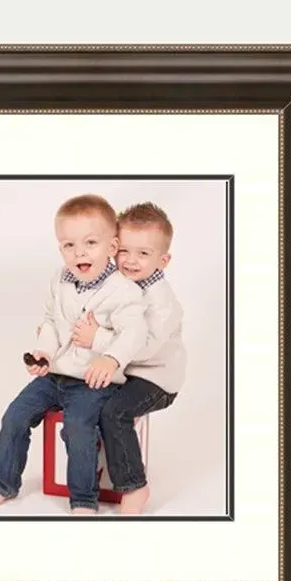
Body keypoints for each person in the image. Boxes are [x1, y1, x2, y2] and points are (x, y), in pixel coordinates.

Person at [0, 194, 147, 515]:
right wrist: (44, 353)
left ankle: (83, 499)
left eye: (90, 243)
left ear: (112, 248)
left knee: (77, 428)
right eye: (69, 245)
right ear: (60, 249)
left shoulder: (124, 290)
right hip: (56, 374)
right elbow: (52, 322)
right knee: (14, 416)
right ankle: (5, 483)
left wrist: (108, 355)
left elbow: (134, 335)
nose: (79, 252)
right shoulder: (61, 280)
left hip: (93, 380)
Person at [71, 202, 186, 514]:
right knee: (80, 403)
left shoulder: (162, 301)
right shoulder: (115, 286)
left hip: (155, 377)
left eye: (144, 254)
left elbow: (143, 347)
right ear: (113, 248)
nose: (131, 261)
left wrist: (96, 338)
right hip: (124, 371)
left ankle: (135, 485)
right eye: (125, 251)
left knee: (115, 412)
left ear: (163, 260)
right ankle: (87, 473)